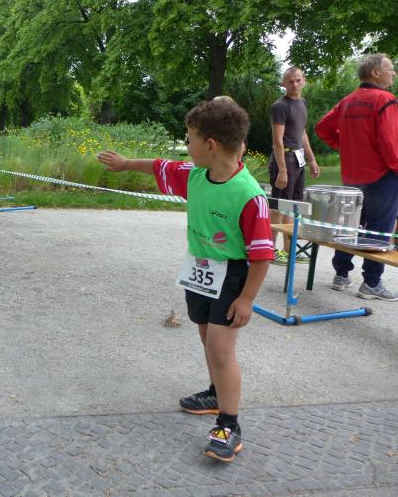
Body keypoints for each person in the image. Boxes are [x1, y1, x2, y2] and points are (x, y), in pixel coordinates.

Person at [97, 99, 273, 462]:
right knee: (207, 337)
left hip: (232, 276)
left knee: (221, 350)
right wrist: (125, 164)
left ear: (211, 145)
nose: (186, 145)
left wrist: (247, 298)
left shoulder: (249, 195)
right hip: (200, 270)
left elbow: (261, 255)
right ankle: (215, 393)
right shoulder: (195, 175)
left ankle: (229, 425)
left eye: (189, 139)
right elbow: (159, 165)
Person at [315, 53, 398, 300]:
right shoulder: (386, 100)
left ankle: (341, 274)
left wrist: (347, 146)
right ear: (375, 73)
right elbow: (390, 142)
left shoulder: (348, 100)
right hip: (382, 176)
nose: (393, 73)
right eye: (390, 68)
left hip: (352, 177)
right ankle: (371, 283)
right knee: (379, 229)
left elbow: (322, 128)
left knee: (349, 225)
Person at [269, 67, 320, 266]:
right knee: (279, 206)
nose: (295, 84)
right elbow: (277, 140)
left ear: (304, 81)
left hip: (298, 159)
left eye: (298, 80)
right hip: (284, 159)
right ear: (284, 83)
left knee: (293, 206)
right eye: (290, 81)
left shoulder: (302, 103)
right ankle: (270, 250)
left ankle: (289, 250)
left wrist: (311, 158)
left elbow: (302, 133)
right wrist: (282, 169)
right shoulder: (280, 106)